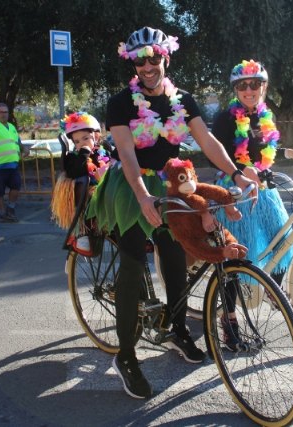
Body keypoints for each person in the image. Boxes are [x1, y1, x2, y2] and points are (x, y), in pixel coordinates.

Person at [86, 26, 255, 399]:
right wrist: (144, 197)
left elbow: (208, 141)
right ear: (133, 63)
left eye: (154, 58)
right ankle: (126, 356)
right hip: (131, 186)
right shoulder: (120, 103)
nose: (148, 66)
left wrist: (236, 174)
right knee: (133, 262)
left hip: (170, 182)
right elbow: (127, 155)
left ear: (165, 57)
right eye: (140, 60)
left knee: (176, 252)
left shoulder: (184, 99)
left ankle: (178, 328)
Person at [211, 59, 293, 350]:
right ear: (235, 89)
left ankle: (272, 289)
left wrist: (289, 151)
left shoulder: (265, 115)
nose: (249, 90)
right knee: (237, 256)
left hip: (263, 188)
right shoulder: (225, 118)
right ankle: (228, 322)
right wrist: (241, 173)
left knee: (281, 240)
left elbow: (263, 146)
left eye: (255, 84)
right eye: (242, 85)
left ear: (263, 87)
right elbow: (220, 153)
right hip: (233, 189)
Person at [51, 112, 113, 255]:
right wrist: (84, 153)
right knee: (92, 198)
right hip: (89, 193)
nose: (81, 143)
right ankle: (83, 234)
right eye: (77, 141)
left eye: (86, 138)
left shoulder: (103, 152)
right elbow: (75, 171)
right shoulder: (74, 158)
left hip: (108, 188)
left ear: (96, 137)